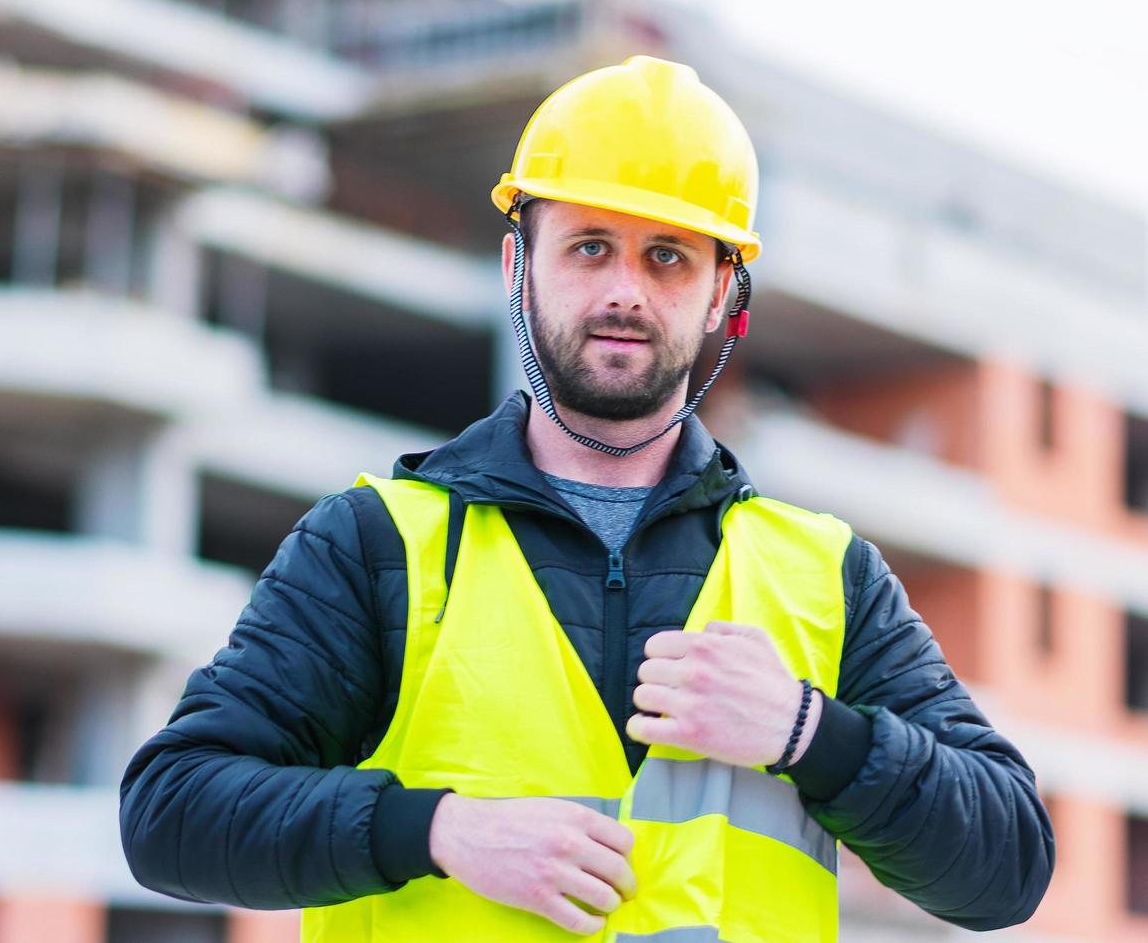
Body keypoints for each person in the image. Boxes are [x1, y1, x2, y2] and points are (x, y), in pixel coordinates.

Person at [120, 56, 1054, 941]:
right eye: (590, 246)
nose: (624, 292)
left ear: (727, 293)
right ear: (517, 266)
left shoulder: (824, 576)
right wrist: (437, 831)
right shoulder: (378, 545)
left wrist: (810, 732)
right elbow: (172, 810)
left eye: (669, 258)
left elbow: (1008, 865)